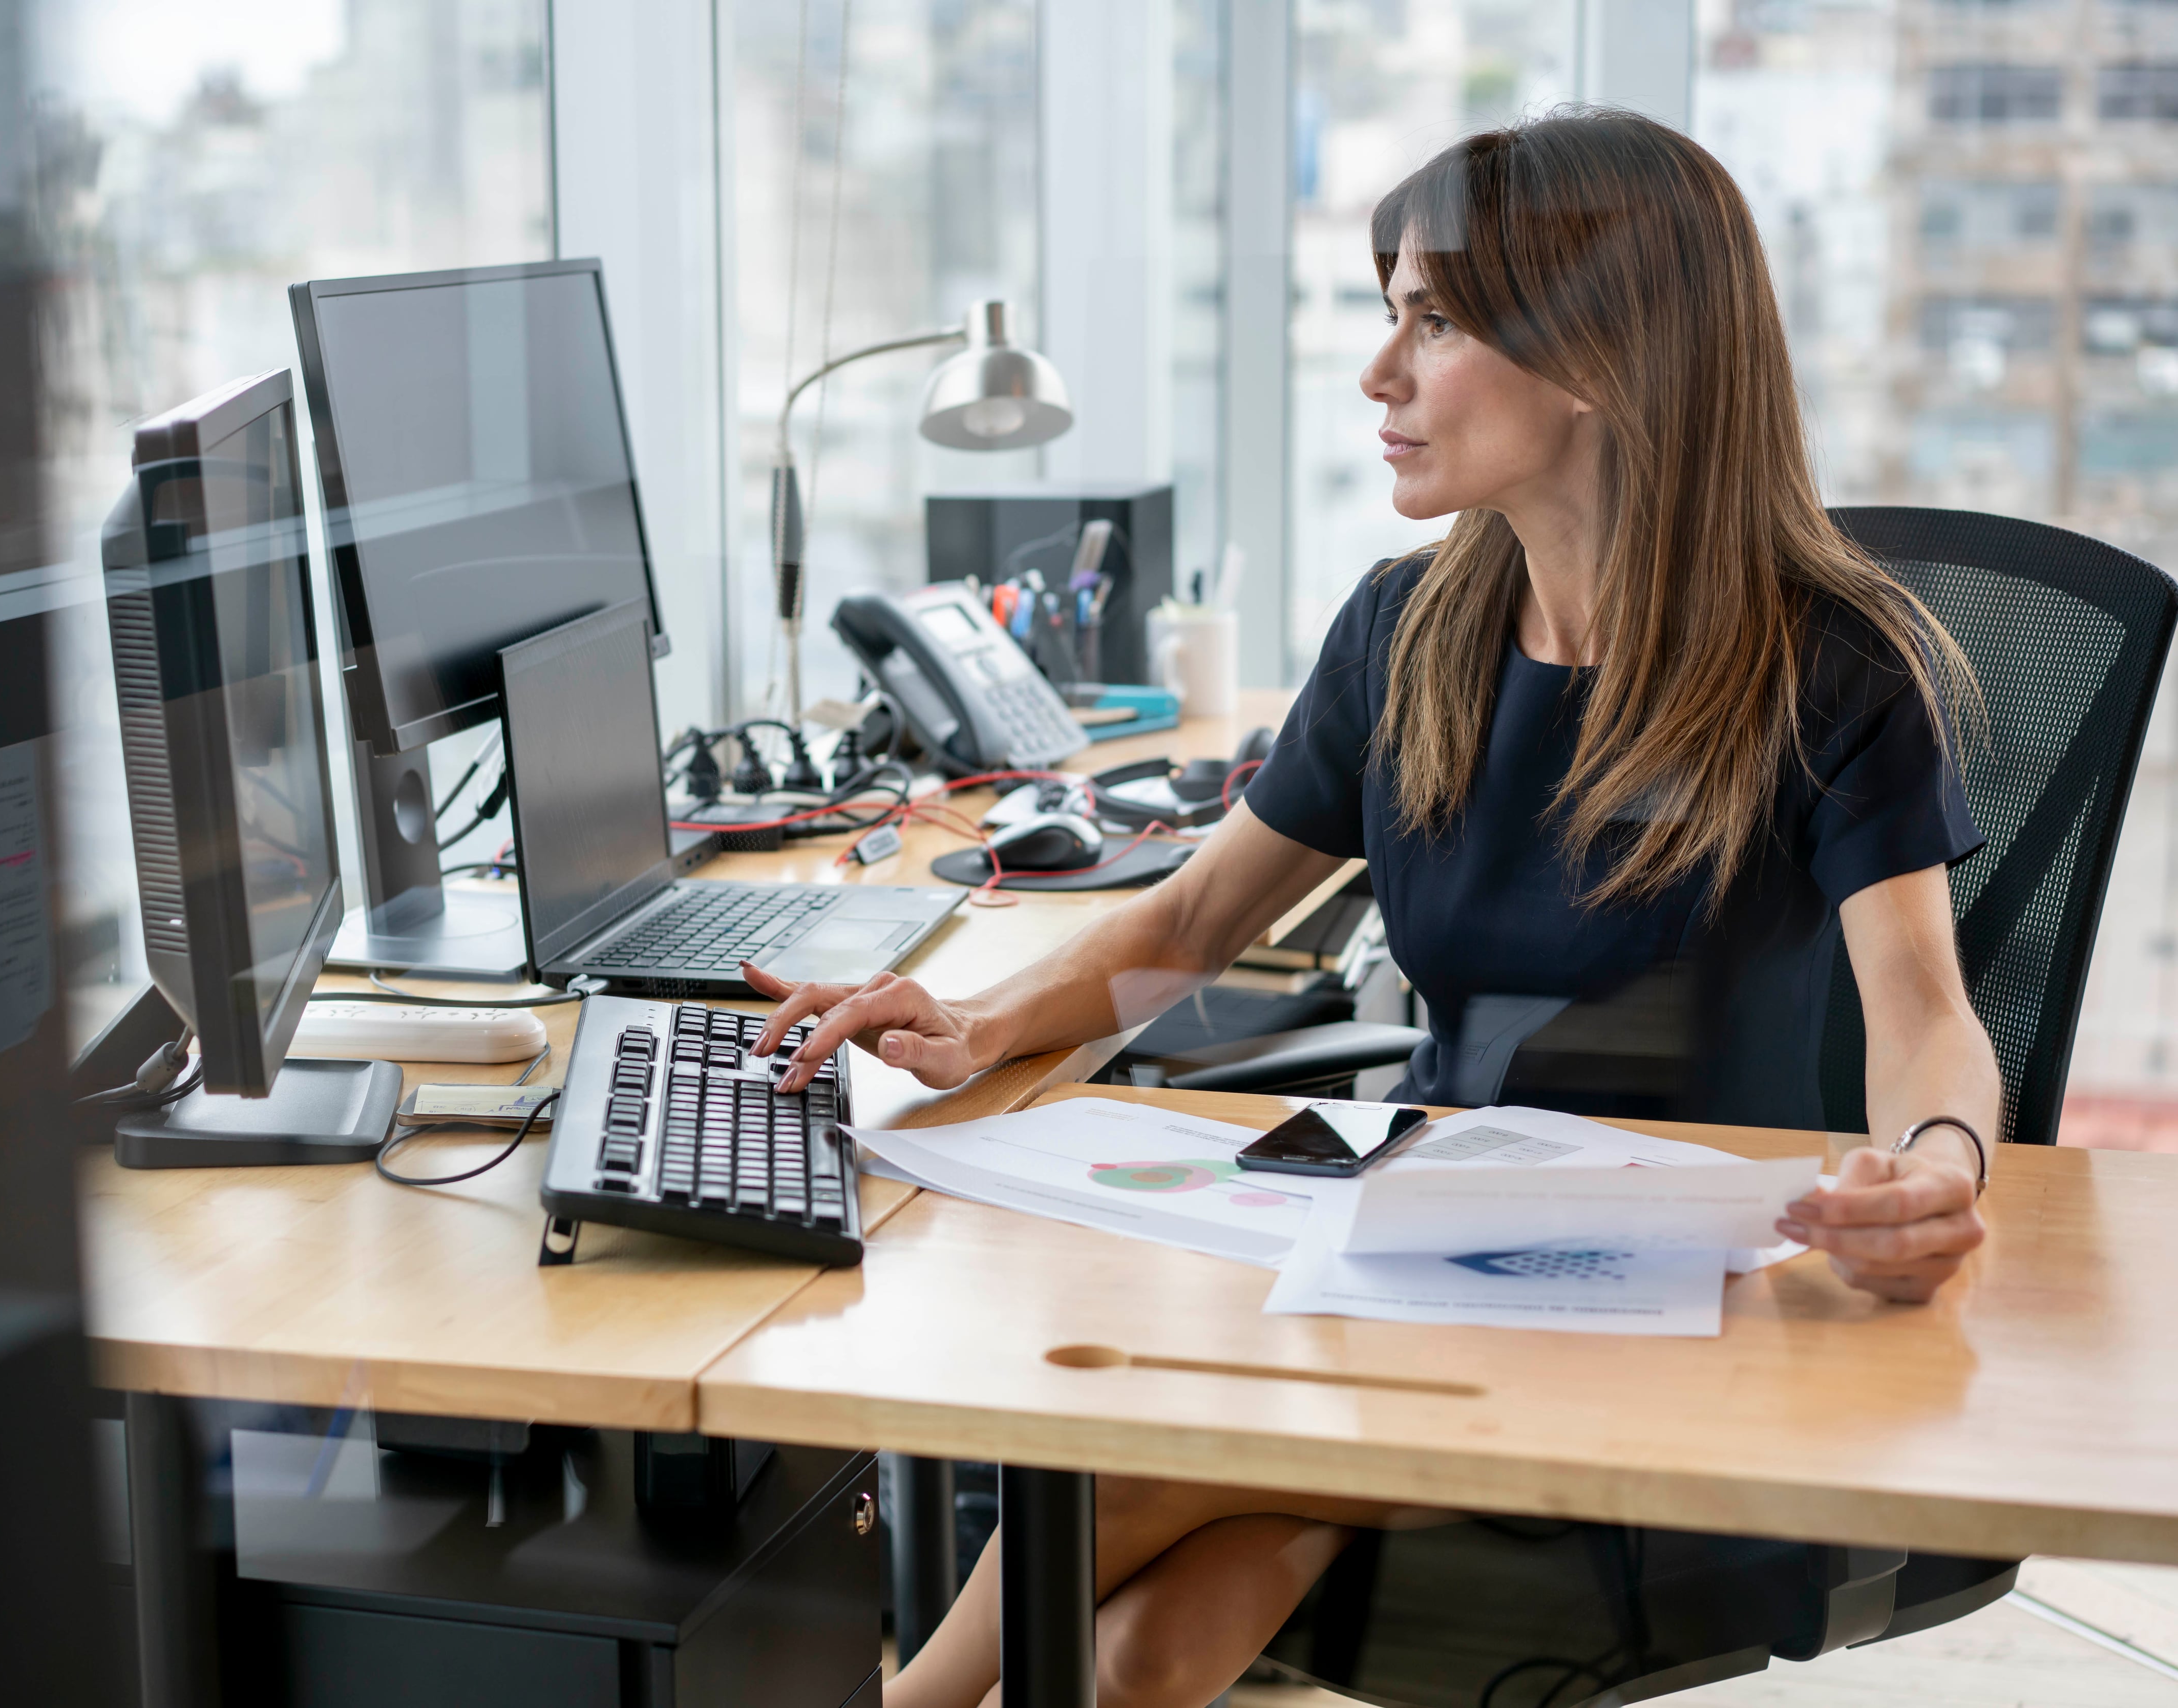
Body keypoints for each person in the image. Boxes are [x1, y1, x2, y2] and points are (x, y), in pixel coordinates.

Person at [747, 108, 1999, 1708]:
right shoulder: (1414, 630)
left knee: (1121, 1469)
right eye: (1387, 314)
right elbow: (1187, 931)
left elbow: (1928, 1018)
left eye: (1439, 321)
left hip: (1695, 1314)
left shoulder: (1826, 667)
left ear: (1605, 354)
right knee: (1141, 1654)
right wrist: (974, 1023)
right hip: (1417, 1260)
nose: (1379, 374)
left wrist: (1935, 1175)